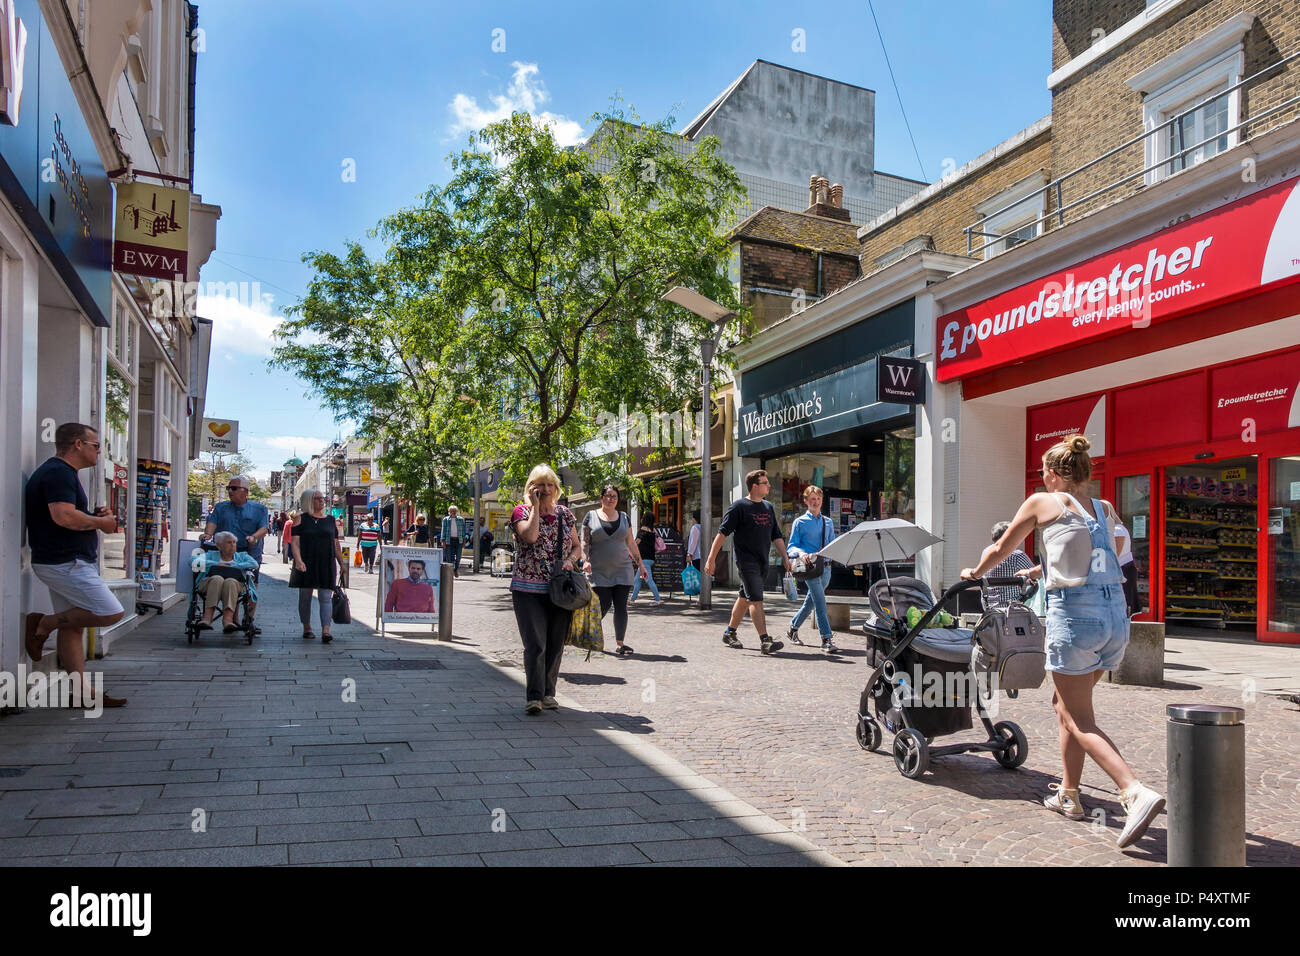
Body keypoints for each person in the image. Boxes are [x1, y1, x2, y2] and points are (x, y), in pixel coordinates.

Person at [960, 435, 1165, 849]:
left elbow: (1003, 546)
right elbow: (1110, 550)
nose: (1042, 477)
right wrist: (1042, 571)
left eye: (1043, 472)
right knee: (1066, 707)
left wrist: (975, 571)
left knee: (1078, 718)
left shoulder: (1041, 501)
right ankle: (1069, 795)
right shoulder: (1103, 508)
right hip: (1114, 620)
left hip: (1076, 618)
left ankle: (1133, 792)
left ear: (1053, 474)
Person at [23, 423, 128, 707]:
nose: (99, 451)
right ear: (78, 444)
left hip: (62, 560)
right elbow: (63, 517)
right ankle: (42, 623)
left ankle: (81, 692)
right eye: (96, 445)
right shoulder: (59, 473)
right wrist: (103, 523)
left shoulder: (61, 473)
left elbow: (67, 515)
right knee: (110, 612)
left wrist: (92, 516)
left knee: (73, 627)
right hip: (65, 562)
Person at [510, 464, 582, 714]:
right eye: (540, 484)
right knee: (536, 644)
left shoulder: (565, 514)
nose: (546, 489)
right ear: (531, 487)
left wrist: (570, 561)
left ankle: (549, 693)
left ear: (557, 488)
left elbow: (576, 546)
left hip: (559, 588)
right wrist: (533, 507)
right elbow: (529, 537)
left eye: (550, 484)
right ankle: (534, 697)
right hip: (527, 588)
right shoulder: (520, 512)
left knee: (555, 643)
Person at [704, 469, 793, 655]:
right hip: (746, 562)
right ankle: (765, 640)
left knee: (745, 598)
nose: (769, 485)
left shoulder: (768, 508)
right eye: (765, 483)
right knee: (756, 599)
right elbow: (722, 534)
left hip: (763, 561)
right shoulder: (739, 507)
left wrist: (785, 557)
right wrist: (711, 559)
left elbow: (776, 536)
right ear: (755, 486)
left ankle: (729, 633)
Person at [582, 484, 650, 657]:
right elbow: (585, 542)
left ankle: (620, 644)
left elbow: (631, 543)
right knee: (603, 604)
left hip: (622, 569)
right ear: (601, 497)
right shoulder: (590, 517)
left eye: (614, 496)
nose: (611, 499)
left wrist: (640, 565)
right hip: (599, 570)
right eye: (608, 495)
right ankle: (588, 633)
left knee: (621, 607)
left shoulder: (624, 517)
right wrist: (585, 560)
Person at [204, 474, 269, 633]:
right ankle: (233, 618)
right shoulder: (221, 507)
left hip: (248, 553)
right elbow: (213, 522)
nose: (229, 491)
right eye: (228, 488)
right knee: (229, 584)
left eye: (233, 488)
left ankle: (249, 619)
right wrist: (207, 535)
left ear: (245, 491)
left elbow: (264, 528)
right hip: (224, 554)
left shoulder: (259, 509)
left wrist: (254, 537)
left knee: (250, 586)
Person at [784, 485, 840, 654]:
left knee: (811, 603)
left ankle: (792, 629)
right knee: (821, 604)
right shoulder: (799, 522)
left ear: (822, 500)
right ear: (806, 501)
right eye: (812, 499)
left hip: (827, 568)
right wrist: (801, 553)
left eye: (818, 499)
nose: (815, 502)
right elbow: (791, 546)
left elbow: (831, 544)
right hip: (810, 569)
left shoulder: (828, 522)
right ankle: (826, 639)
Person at [289, 490, 342, 643]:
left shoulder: (331, 520)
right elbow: (295, 542)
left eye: (322, 498)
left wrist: (341, 563)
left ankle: (326, 630)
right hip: (306, 562)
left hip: (326, 562)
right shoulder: (300, 519)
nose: (322, 501)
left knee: (325, 597)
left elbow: (336, 543)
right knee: (305, 596)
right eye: (317, 499)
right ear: (308, 501)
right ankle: (307, 627)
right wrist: (298, 561)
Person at [196, 531, 259, 632]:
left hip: (235, 584)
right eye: (229, 542)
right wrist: (216, 564)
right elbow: (193, 561)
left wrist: (234, 566)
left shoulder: (241, 556)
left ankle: (228, 620)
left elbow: (254, 564)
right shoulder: (211, 554)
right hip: (210, 584)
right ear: (219, 545)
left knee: (230, 581)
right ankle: (207, 618)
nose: (233, 545)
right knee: (217, 579)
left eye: (234, 542)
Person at [986, 520, 1038, 607]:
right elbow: (1036, 575)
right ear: (1009, 536)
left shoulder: (986, 552)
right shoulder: (1017, 555)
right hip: (1012, 606)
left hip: (989, 605)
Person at [629, 513, 663, 606]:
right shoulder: (653, 532)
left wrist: (630, 551)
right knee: (637, 579)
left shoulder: (642, 531)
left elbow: (636, 543)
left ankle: (658, 599)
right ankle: (632, 599)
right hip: (651, 559)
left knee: (648, 579)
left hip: (643, 559)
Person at [441, 506, 463, 577]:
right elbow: (443, 530)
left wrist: (464, 541)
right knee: (449, 557)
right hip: (449, 540)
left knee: (458, 556)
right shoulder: (446, 519)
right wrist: (442, 540)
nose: (453, 512)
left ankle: (455, 569)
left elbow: (463, 531)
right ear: (449, 512)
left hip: (458, 540)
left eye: (454, 511)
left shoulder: (461, 519)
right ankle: (450, 572)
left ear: (456, 512)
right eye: (451, 511)